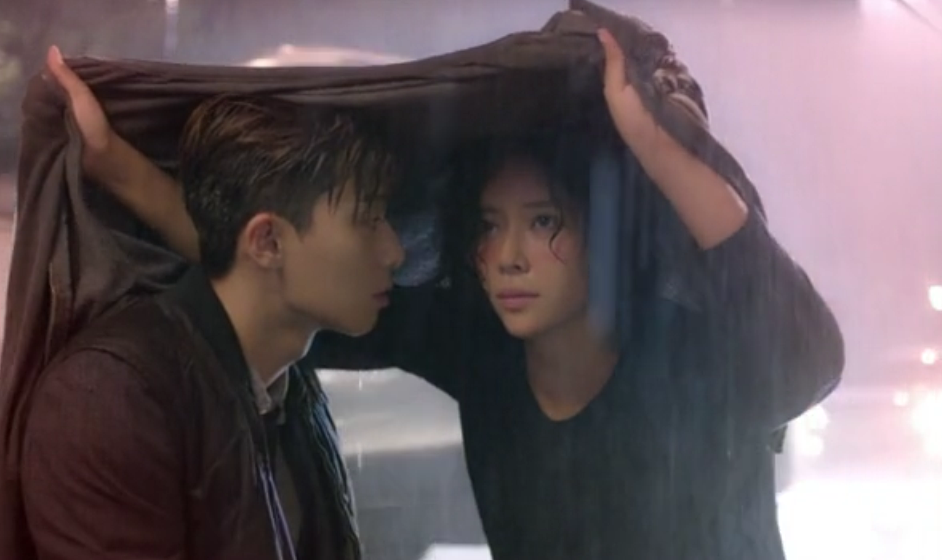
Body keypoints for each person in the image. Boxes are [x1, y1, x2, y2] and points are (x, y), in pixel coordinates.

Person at [57, 28, 843, 560]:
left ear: (604, 232)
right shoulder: (481, 351)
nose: (508, 257)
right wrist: (126, 175)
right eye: (489, 226)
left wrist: (648, 137)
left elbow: (806, 356)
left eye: (543, 222)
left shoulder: (687, 357)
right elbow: (284, 280)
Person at [11, 47, 403, 560]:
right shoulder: (109, 398)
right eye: (368, 220)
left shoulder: (289, 384)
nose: (395, 252)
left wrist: (115, 164)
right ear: (267, 242)